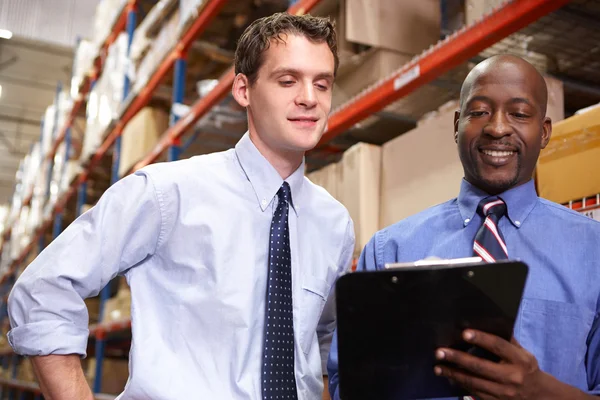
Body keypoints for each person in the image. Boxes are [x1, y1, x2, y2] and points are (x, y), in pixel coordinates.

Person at [7, 13, 355, 400]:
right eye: (287, 80)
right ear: (243, 89)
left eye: (322, 84)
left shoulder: (334, 223)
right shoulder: (166, 193)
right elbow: (44, 289)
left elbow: (324, 344)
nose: (309, 97)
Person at [327, 54, 600, 400]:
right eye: (480, 111)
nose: (497, 127)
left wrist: (540, 392)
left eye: (519, 113)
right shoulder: (389, 251)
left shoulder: (593, 250)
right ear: (457, 124)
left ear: (544, 132)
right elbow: (346, 388)